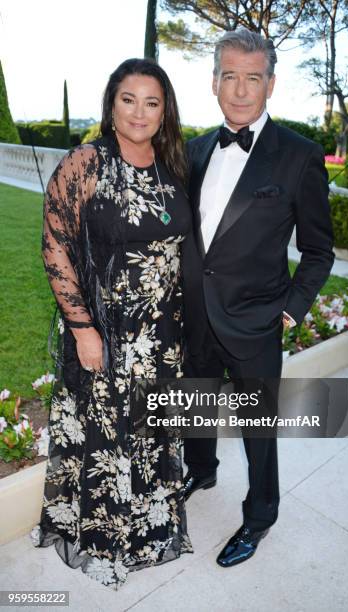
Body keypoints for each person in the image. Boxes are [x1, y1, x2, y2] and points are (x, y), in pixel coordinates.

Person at [30, 58, 193, 589]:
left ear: (165, 110)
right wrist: (81, 328)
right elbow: (55, 244)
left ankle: (147, 527)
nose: (140, 112)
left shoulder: (174, 165)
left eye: (152, 102)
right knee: (107, 436)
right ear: (112, 103)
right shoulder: (86, 162)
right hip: (108, 332)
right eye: (129, 99)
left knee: (149, 433)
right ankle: (103, 536)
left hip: (163, 334)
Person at [181, 28, 335, 567]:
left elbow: (319, 250)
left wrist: (291, 309)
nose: (241, 90)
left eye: (253, 78)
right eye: (231, 77)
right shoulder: (193, 150)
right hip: (194, 317)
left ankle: (259, 516)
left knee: (258, 432)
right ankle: (200, 471)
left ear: (270, 84)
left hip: (256, 322)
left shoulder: (299, 156)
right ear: (214, 82)